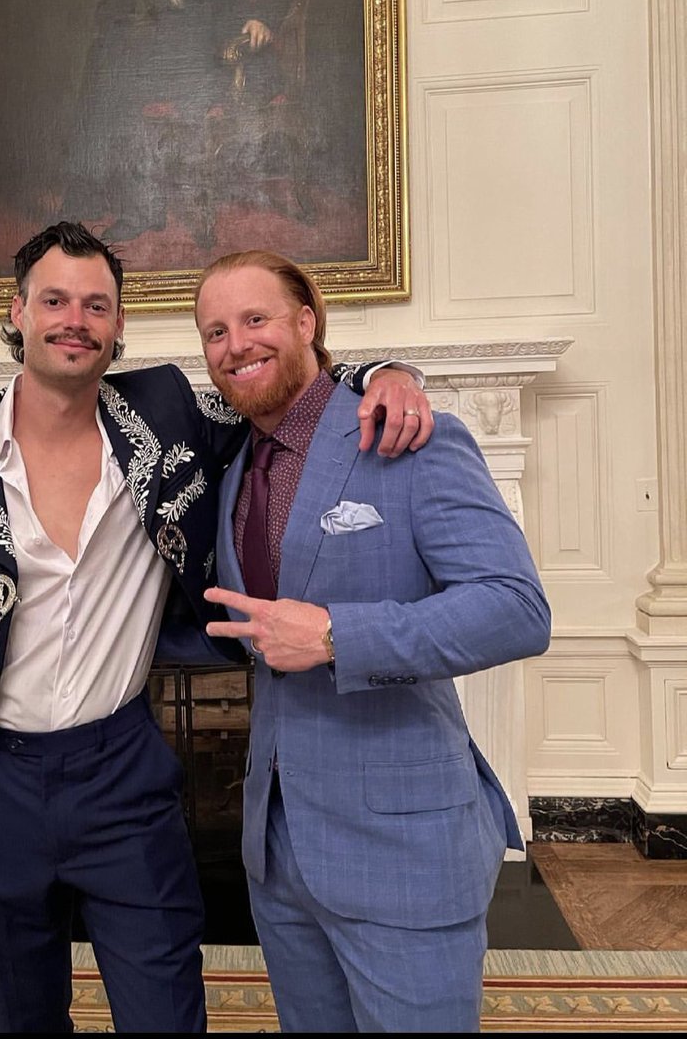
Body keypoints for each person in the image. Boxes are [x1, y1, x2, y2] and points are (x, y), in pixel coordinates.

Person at [0, 222, 433, 1034]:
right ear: (18, 312)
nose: (76, 320)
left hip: (123, 777)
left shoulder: (165, 413)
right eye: (55, 301)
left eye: (96, 305)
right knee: (25, 1019)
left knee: (167, 1013)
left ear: (119, 324)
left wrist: (386, 373)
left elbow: (282, 392)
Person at [194, 250, 552, 1034]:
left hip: (404, 850)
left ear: (306, 322)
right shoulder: (230, 463)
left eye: (255, 319)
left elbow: (517, 608)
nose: (235, 344)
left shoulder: (412, 438)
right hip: (278, 853)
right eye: (215, 331)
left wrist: (336, 635)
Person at [65, 0, 306, 241]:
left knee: (109, 65)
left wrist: (264, 14)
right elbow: (107, 26)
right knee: (104, 59)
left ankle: (100, 199)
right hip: (171, 67)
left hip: (229, 60)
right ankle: (133, 207)